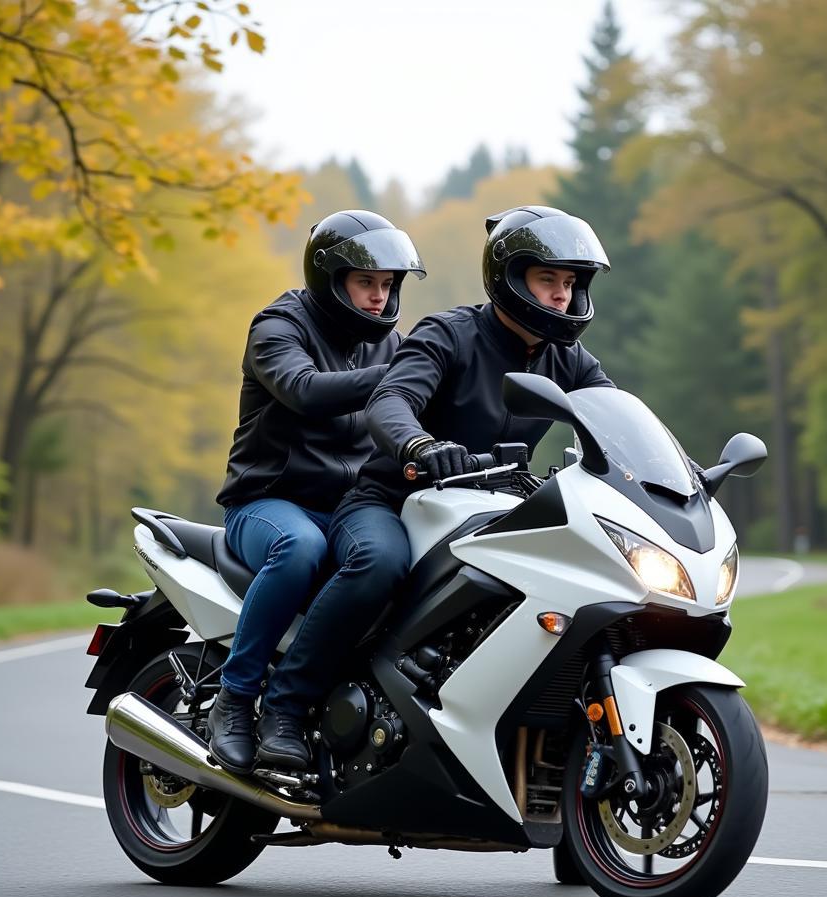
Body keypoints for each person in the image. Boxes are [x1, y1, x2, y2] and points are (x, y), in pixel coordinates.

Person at [253, 205, 612, 766]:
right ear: (511, 278)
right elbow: (392, 402)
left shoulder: (567, 360)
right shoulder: (451, 334)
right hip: (393, 502)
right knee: (378, 564)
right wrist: (419, 446)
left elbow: (615, 413)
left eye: (570, 283)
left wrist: (673, 472)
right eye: (549, 279)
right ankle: (284, 709)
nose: (563, 295)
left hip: (490, 511)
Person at [208, 210, 426, 774]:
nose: (379, 298)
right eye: (365, 283)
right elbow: (303, 390)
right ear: (332, 279)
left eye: (387, 285)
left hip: (353, 505)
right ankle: (237, 699)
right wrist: (401, 378)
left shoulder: (389, 344)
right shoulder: (278, 327)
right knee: (299, 547)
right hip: (266, 501)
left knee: (402, 559)